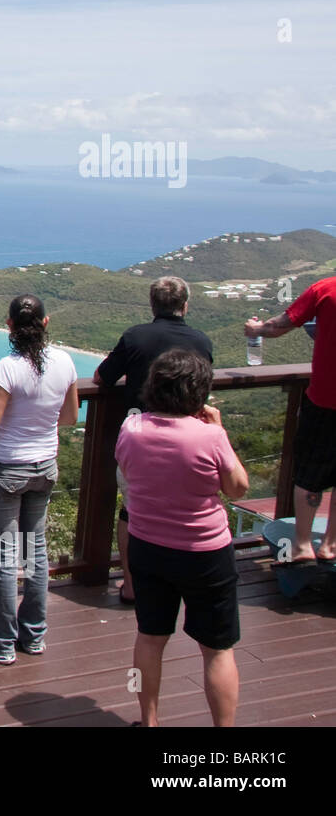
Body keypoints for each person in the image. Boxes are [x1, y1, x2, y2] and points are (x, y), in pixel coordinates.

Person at [116, 348, 248, 726]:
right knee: (217, 650)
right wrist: (217, 431)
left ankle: (149, 720)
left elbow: (127, 467)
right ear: (199, 393)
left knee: (149, 638)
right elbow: (237, 488)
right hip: (204, 553)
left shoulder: (132, 428)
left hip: (147, 547)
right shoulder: (210, 436)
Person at [0, 295, 78, 665]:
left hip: (7, 468)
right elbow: (70, 417)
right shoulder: (65, 362)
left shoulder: (8, 368)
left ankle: (0, 642)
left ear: (9, 326)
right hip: (44, 466)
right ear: (45, 323)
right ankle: (34, 636)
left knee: (5, 557)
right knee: (37, 553)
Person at [95, 276, 213, 603]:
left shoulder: (136, 337)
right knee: (183, 509)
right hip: (190, 443)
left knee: (132, 511)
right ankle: (181, 582)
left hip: (140, 441)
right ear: (185, 305)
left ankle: (132, 586)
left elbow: (101, 377)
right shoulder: (202, 342)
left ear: (152, 304)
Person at [245, 275, 336, 561]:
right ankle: (331, 545)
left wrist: (254, 329)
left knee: (310, 473)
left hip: (324, 400)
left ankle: (303, 545)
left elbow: (278, 326)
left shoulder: (325, 289)